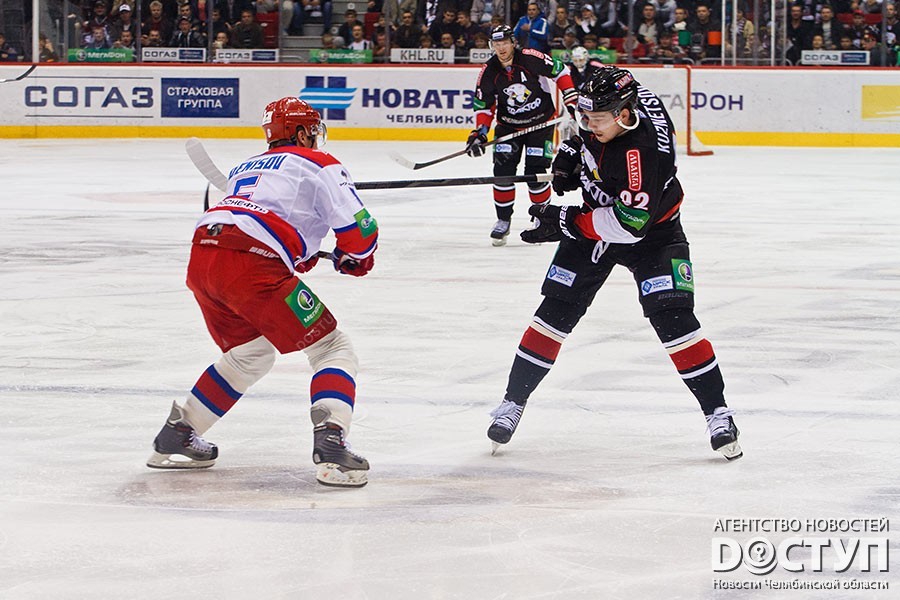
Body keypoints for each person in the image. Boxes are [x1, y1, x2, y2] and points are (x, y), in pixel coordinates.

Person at [486, 67, 742, 462]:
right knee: (554, 313)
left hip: (651, 233)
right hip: (602, 216)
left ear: (624, 115)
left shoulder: (642, 155)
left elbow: (628, 225)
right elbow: (586, 123)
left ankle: (718, 413)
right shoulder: (615, 106)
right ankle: (512, 402)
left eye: (596, 120)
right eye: (585, 117)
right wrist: (573, 150)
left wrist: (565, 221)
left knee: (673, 319)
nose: (589, 124)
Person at [147, 97, 378, 488]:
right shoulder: (321, 163)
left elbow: (269, 218)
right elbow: (360, 230)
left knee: (249, 354)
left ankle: (179, 433)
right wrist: (355, 257)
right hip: (251, 262)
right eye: (312, 131)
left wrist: (301, 253)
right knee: (331, 348)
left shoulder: (245, 167)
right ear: (302, 132)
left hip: (204, 256)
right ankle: (332, 445)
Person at [466, 24, 578, 246]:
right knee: (502, 174)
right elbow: (484, 105)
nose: (501, 48)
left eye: (504, 43)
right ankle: (503, 220)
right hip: (508, 128)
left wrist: (571, 99)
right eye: (496, 44)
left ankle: (541, 219)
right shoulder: (488, 71)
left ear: (513, 43)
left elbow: (561, 71)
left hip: (540, 126)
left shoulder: (530, 58)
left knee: (535, 174)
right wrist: (480, 133)